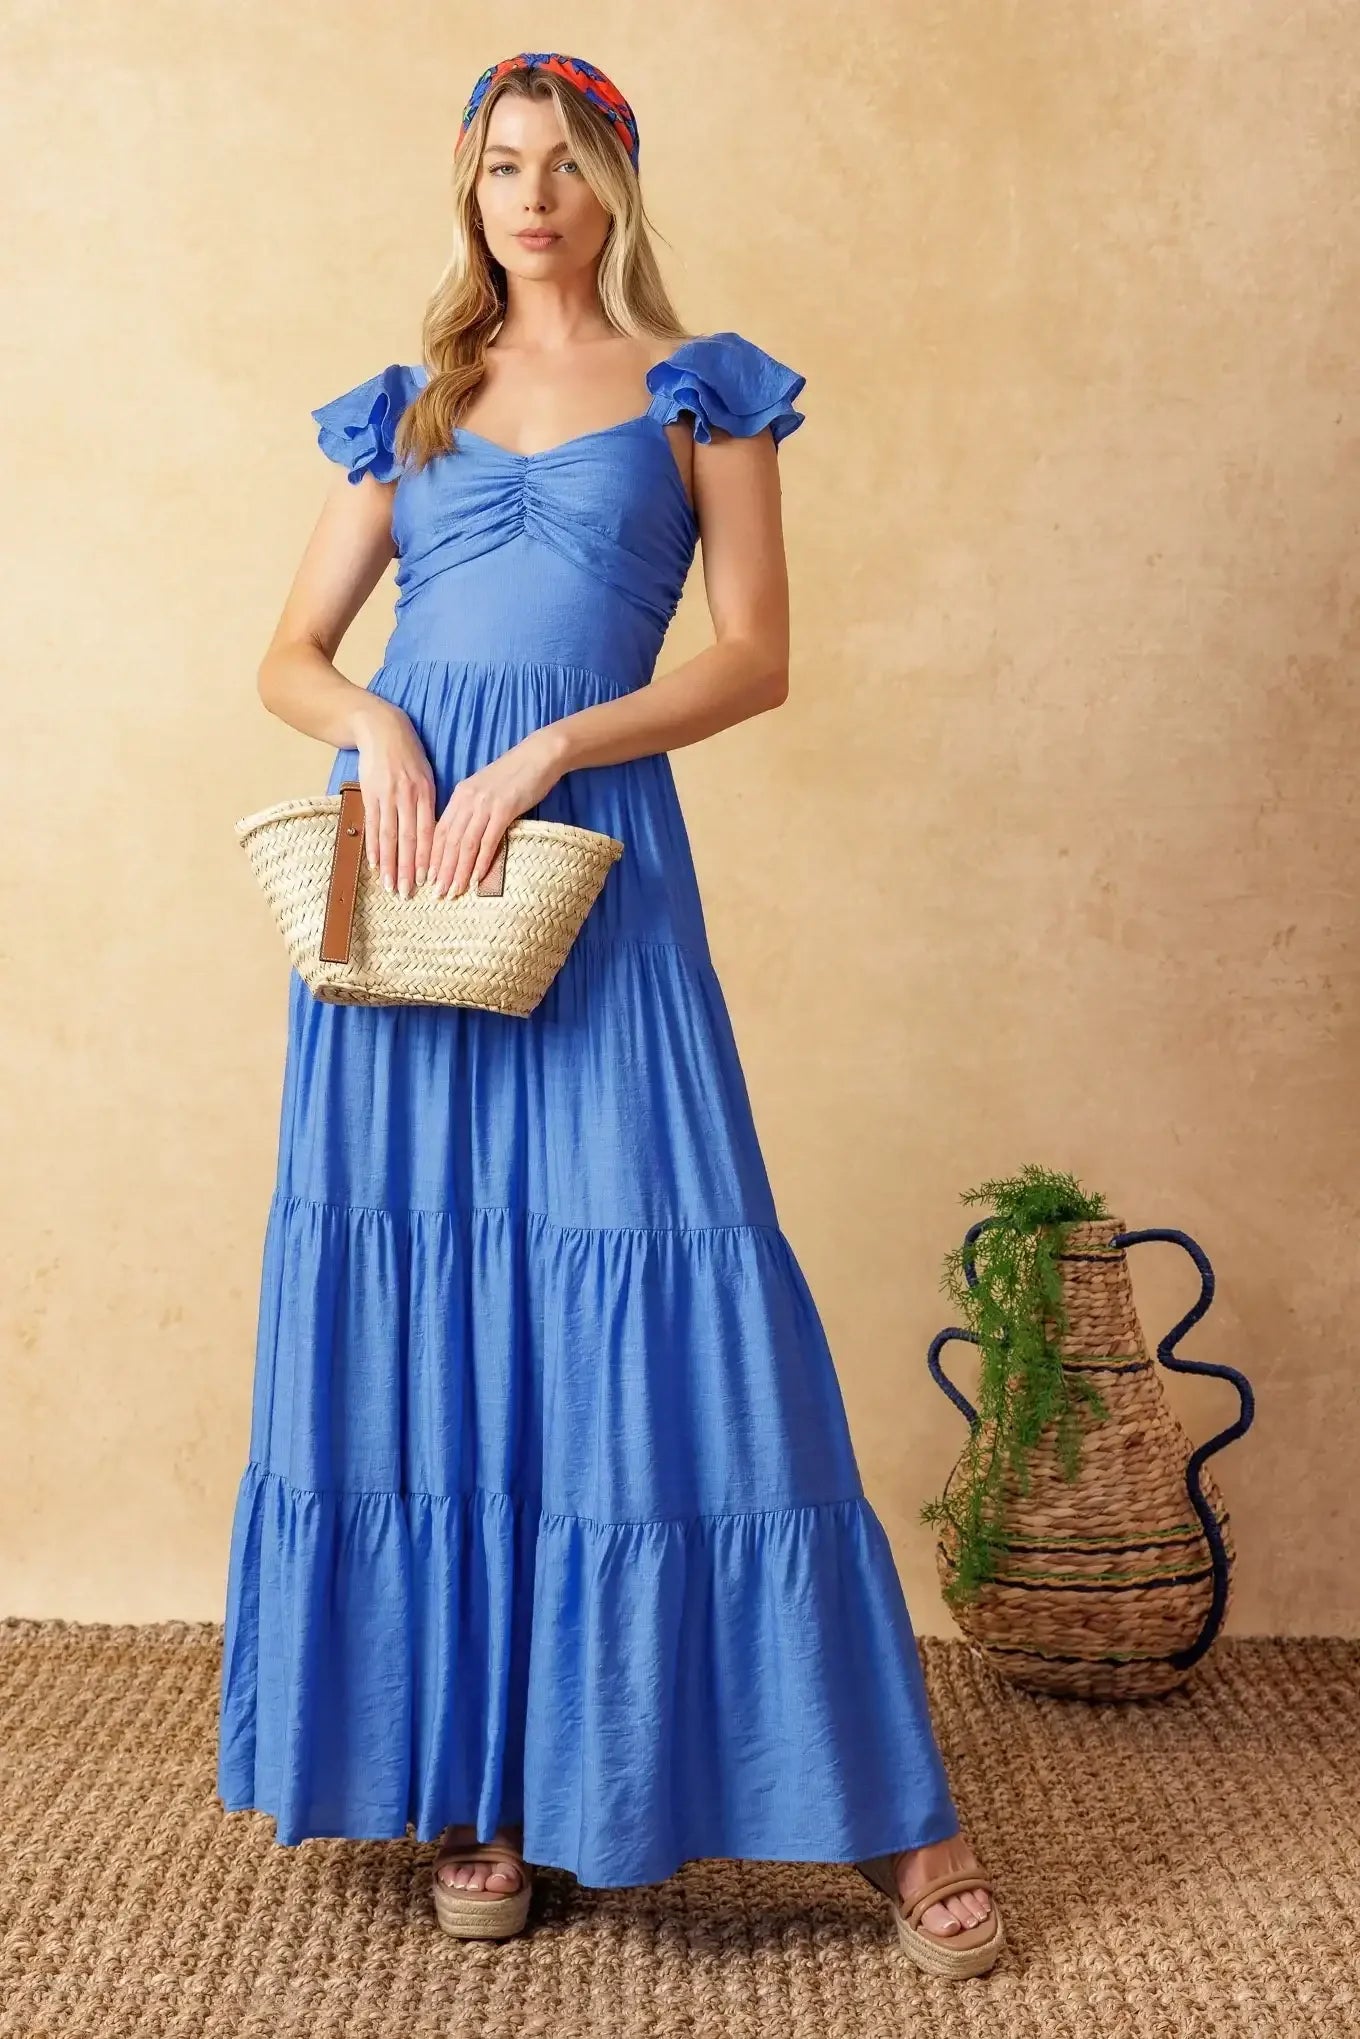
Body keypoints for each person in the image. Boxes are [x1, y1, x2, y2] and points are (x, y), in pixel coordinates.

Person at [215, 49, 1004, 1980]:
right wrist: (382, 726)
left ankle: (890, 1814)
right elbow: (289, 655)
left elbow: (756, 656)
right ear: (467, 186)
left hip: (592, 862)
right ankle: (481, 1787)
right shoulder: (410, 405)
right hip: (408, 879)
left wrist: (557, 744)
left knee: (674, 1279)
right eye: (502, 165)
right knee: (438, 1298)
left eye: (565, 165)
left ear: (617, 185)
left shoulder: (698, 392)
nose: (533, 197)